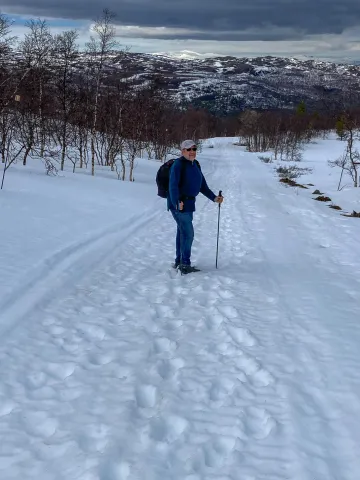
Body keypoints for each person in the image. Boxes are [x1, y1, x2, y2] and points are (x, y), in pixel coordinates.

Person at [167, 139, 223, 274]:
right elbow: (172, 186)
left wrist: (214, 198)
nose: (192, 152)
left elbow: (202, 186)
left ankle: (179, 261)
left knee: (182, 232)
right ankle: (185, 264)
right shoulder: (178, 165)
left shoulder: (195, 165)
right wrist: (176, 202)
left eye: (194, 149)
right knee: (188, 234)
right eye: (189, 149)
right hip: (179, 205)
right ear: (182, 151)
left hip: (189, 204)